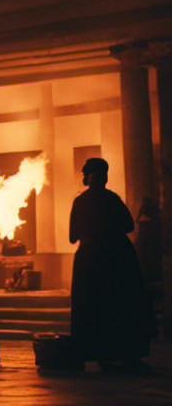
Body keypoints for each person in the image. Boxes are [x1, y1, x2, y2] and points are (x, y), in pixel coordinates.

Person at [69, 157, 155, 372]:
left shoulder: (84, 202)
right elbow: (126, 225)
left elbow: (73, 235)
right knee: (118, 307)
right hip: (114, 259)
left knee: (101, 308)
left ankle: (103, 355)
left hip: (94, 262)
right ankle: (125, 356)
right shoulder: (110, 199)